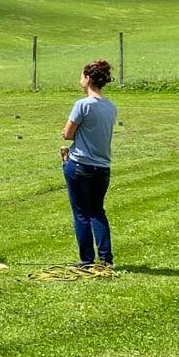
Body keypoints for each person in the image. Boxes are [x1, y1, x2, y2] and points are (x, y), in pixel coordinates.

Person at [60, 59, 116, 271]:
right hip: (102, 167)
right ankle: (106, 259)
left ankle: (86, 260)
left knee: (81, 213)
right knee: (97, 211)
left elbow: (68, 133)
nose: (80, 80)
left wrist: (68, 136)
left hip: (80, 164)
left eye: (81, 76)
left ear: (88, 78)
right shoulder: (110, 106)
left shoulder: (82, 105)